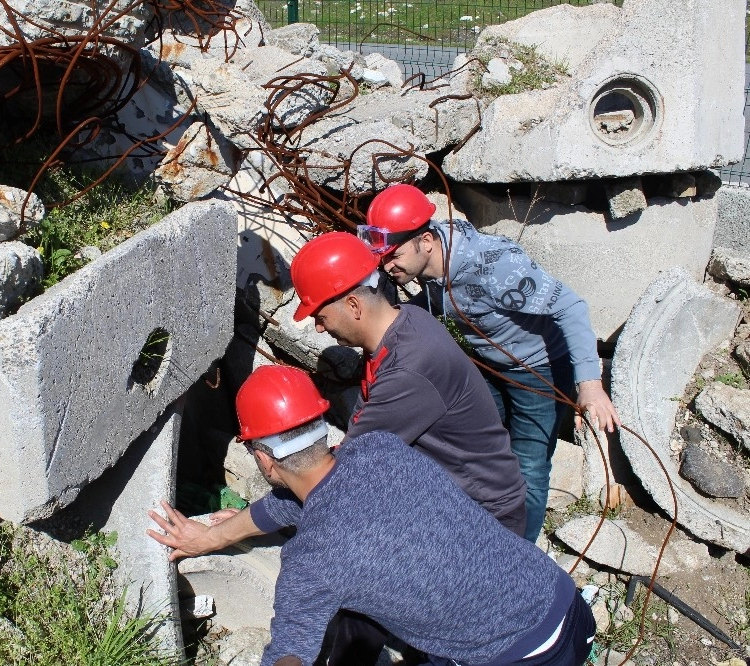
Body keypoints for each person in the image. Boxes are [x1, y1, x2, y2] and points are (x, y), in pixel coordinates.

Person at [152, 365, 596, 666]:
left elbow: (291, 650)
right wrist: (213, 537)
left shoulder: (312, 560)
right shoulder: (377, 448)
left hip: (522, 655)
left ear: (265, 461)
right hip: (563, 600)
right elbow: (303, 499)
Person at [147, 232, 527, 566]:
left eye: (320, 314)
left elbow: (331, 482)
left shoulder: (410, 370)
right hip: (453, 502)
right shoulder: (401, 331)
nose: (317, 326)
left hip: (481, 524)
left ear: (354, 306)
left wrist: (221, 534)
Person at [359, 183, 622, 542]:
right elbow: (437, 304)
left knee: (528, 462)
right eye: (382, 257)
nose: (388, 266)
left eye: (394, 255)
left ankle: (519, 556)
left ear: (425, 241)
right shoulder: (433, 267)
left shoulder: (495, 266)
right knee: (478, 442)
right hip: (490, 365)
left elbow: (570, 306)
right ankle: (480, 525)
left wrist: (589, 384)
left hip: (539, 369)